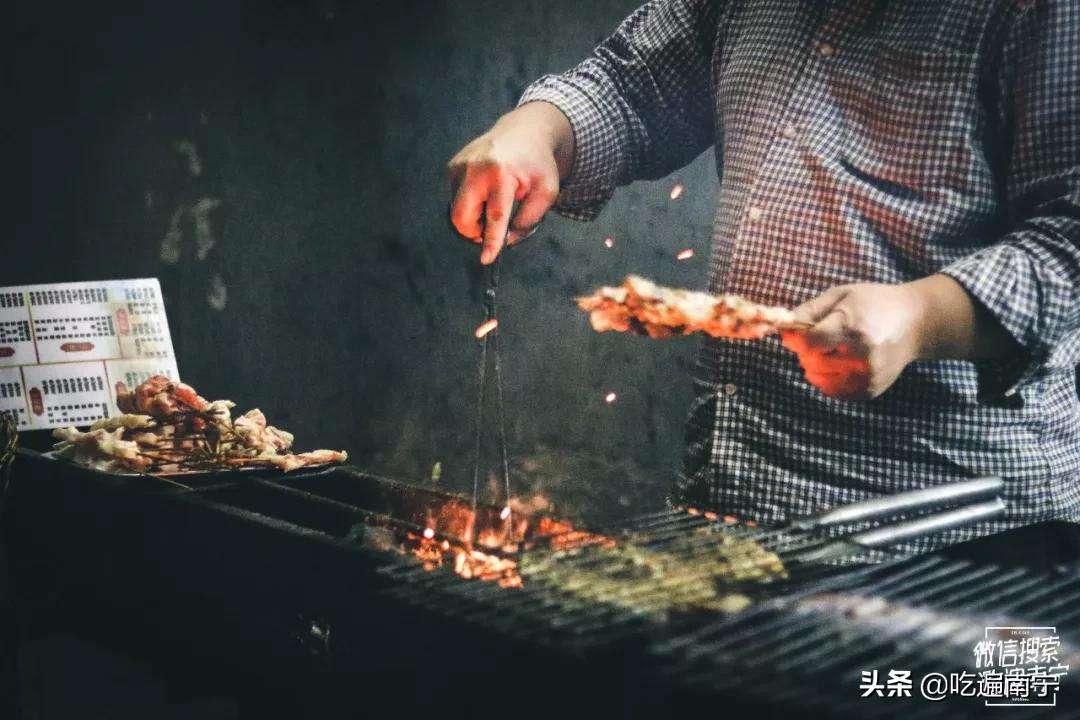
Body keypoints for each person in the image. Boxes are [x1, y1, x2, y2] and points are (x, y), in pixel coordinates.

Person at [447, 0, 1079, 556]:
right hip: (734, 495)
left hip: (961, 526)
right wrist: (539, 127)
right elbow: (633, 85)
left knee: (984, 664)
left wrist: (922, 316)